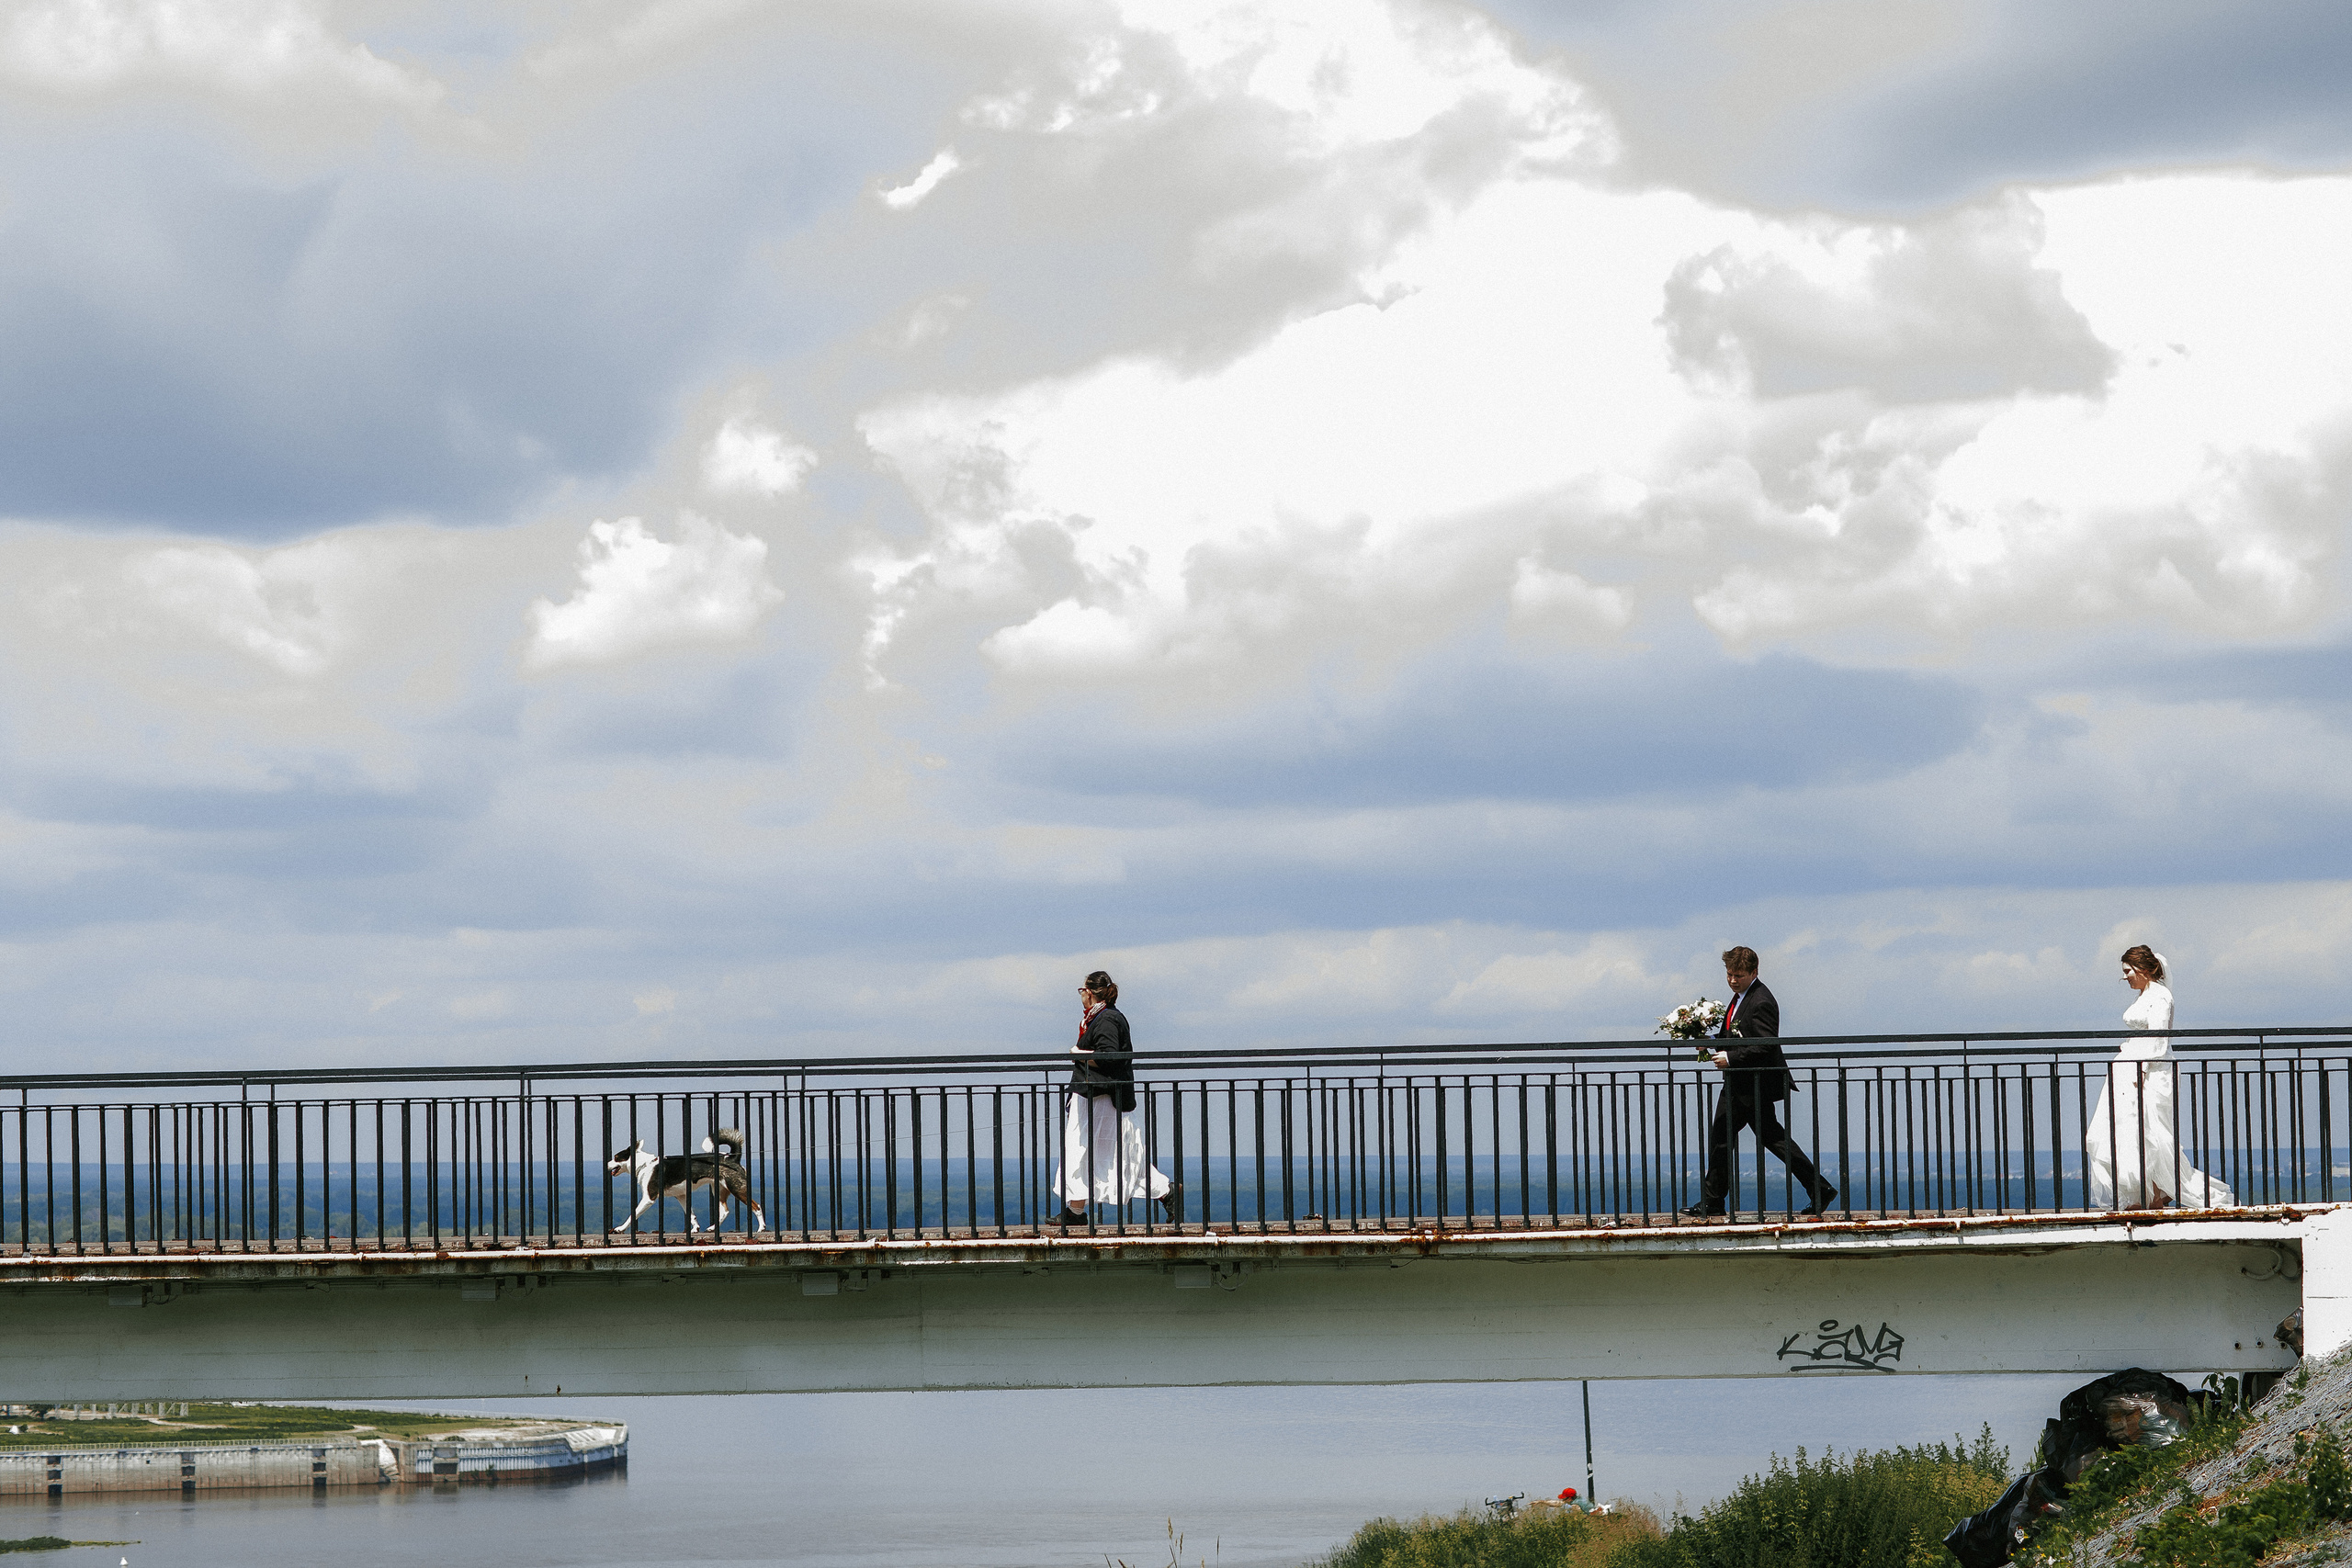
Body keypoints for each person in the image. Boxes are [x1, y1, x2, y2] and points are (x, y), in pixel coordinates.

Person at [1683, 947, 1837, 1219]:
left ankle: (1714, 1201)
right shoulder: (1742, 997)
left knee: (1724, 1137)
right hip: (1745, 1083)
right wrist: (1711, 1044)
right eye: (1729, 975)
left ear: (1755, 973)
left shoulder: (1761, 1000)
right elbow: (1737, 1037)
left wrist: (1730, 1058)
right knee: (1770, 1138)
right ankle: (1819, 1188)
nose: (1732, 980)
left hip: (1751, 1084)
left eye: (1739, 975)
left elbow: (1765, 1045)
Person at [2085, 947, 2236, 1211]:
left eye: (2128, 971)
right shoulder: (2145, 995)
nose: (2125, 978)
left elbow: (2158, 1037)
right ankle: (2150, 1194)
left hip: (2150, 1073)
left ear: (2143, 969)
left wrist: (2141, 1070)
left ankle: (2158, 1194)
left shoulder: (2162, 997)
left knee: (2153, 1133)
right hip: (2131, 1069)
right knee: (2133, 1132)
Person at [1046, 970, 1180, 1227]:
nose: (1080, 995)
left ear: (1090, 992)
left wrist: (1081, 1054)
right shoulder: (1102, 1017)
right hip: (1098, 1096)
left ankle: (1077, 1212)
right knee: (1104, 1152)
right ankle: (1164, 1191)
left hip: (1101, 1097)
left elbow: (1111, 1057)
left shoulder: (1106, 1020)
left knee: (1086, 1150)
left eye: (1081, 990)